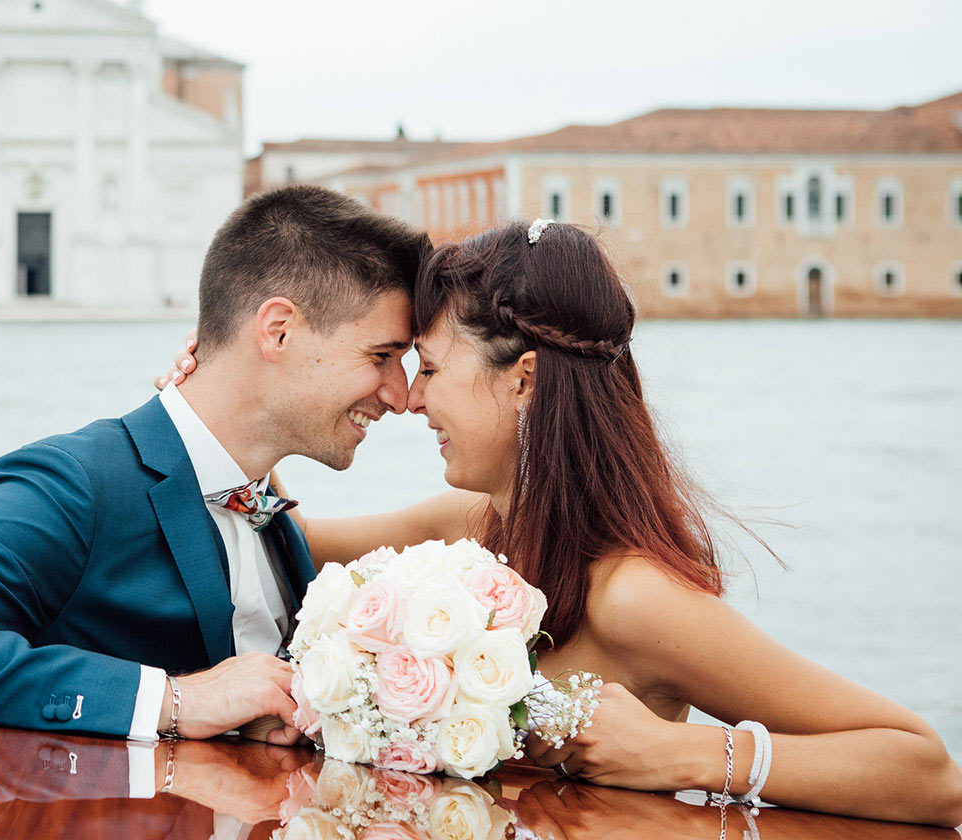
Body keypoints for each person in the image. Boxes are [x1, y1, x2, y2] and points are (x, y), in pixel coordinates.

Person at [165, 219, 962, 827]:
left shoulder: (633, 596)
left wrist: (685, 754)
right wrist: (221, 406)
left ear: (525, 382)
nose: (411, 401)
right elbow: (282, 536)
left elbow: (929, 771)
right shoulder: (478, 526)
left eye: (433, 371)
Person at [0, 185, 477, 744]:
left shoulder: (263, 497)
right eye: (381, 356)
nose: (398, 395)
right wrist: (173, 702)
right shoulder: (82, 483)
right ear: (277, 331)